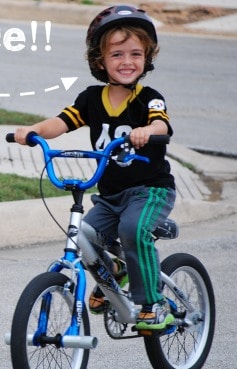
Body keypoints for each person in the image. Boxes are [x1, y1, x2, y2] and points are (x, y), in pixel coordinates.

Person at [13, 5, 175, 330]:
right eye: (116, 54)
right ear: (100, 60)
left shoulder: (150, 100)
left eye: (135, 54)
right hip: (111, 194)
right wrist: (32, 132)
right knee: (83, 236)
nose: (126, 61)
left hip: (149, 191)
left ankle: (153, 305)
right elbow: (60, 123)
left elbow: (161, 126)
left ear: (147, 58)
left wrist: (147, 131)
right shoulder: (91, 99)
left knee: (132, 231)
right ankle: (114, 274)